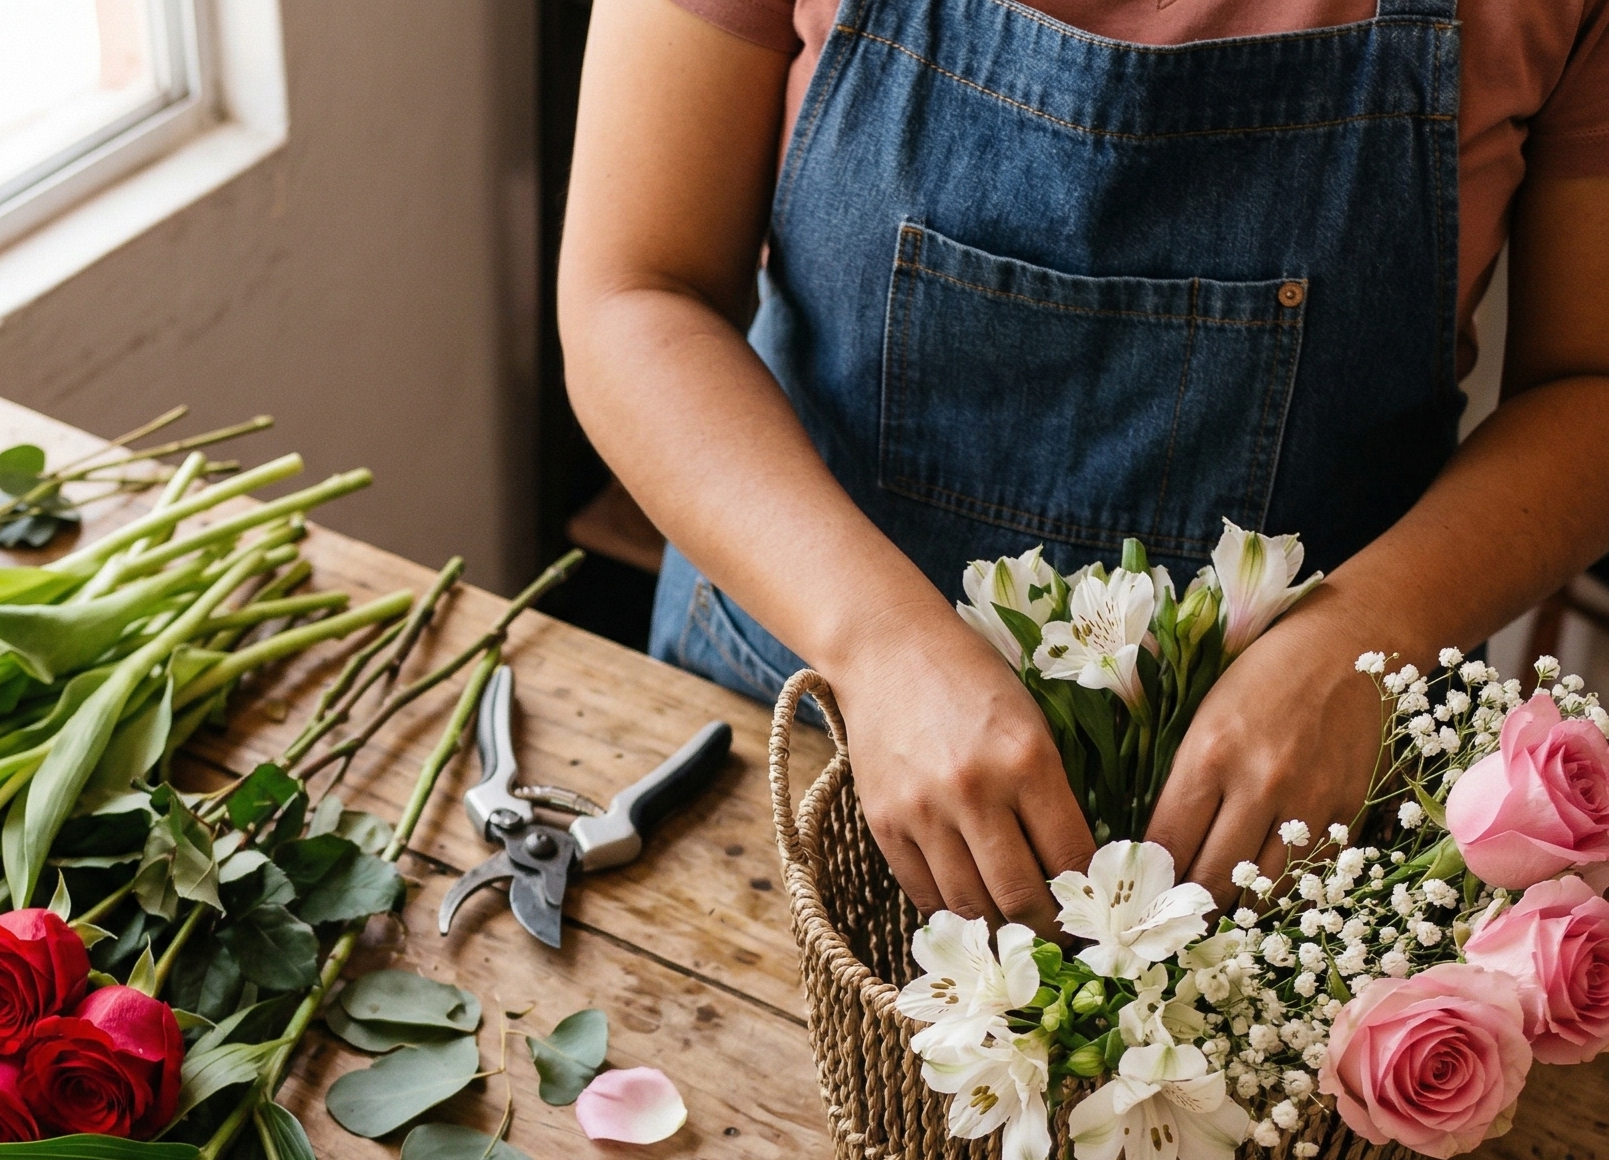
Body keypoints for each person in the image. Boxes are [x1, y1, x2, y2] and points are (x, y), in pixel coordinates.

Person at [557, 0, 1609, 926]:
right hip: (786, 733)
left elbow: (1588, 389)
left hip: (1290, 844)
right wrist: (875, 642)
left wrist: (1369, 633)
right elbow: (633, 293)